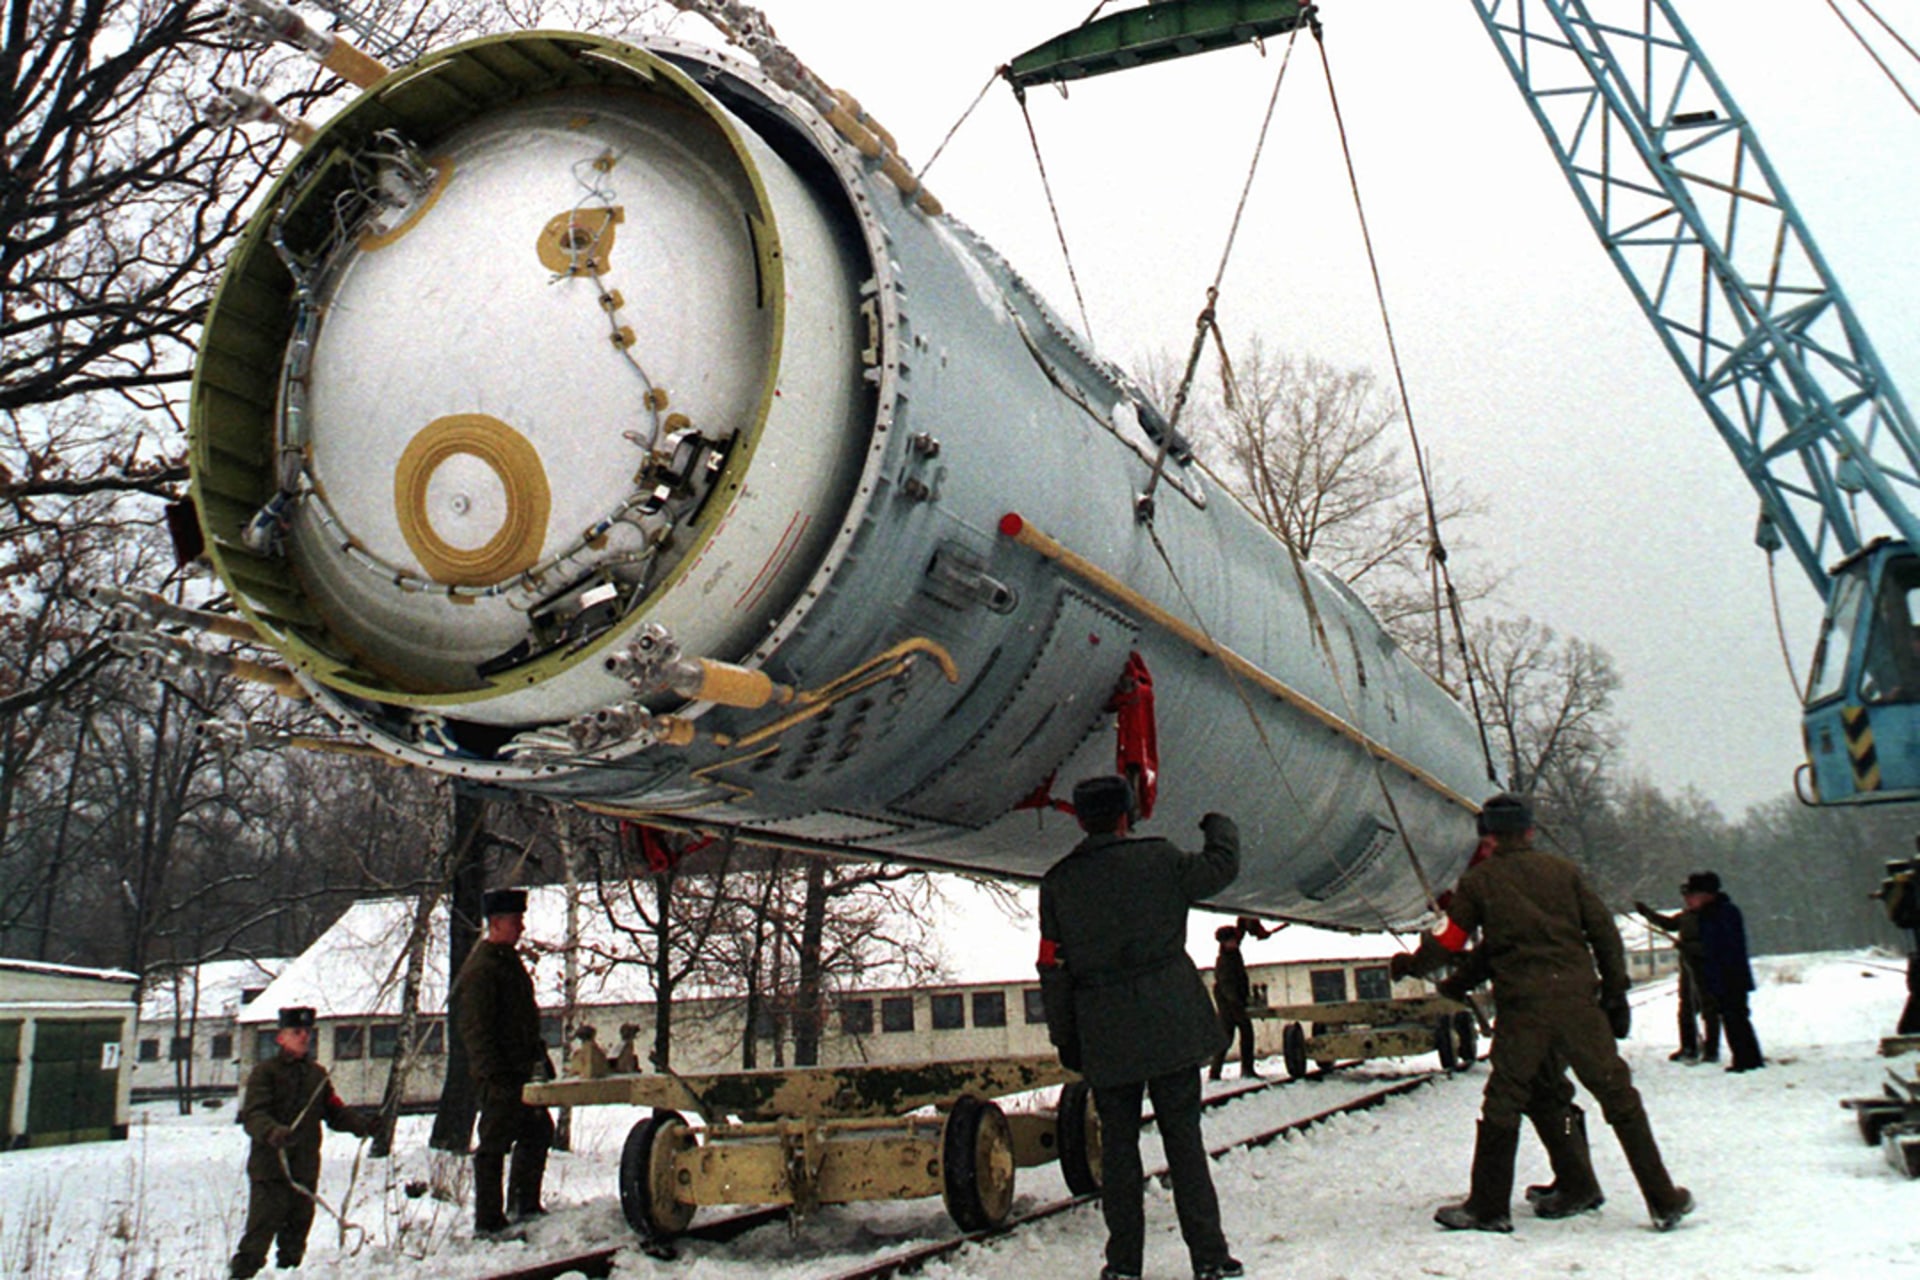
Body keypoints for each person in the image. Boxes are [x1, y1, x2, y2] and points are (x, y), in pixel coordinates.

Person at [1391, 793, 1692, 1233]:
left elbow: (1452, 941)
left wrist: (1412, 966)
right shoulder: (1564, 873)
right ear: (1530, 831)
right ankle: (1660, 1198)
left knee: (1505, 1101)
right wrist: (1615, 993)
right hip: (1578, 1007)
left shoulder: (1481, 882)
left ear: (1487, 837)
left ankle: (1488, 1207)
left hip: (1525, 1011)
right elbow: (1605, 934)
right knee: (1615, 1096)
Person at [1037, 774, 1244, 1280]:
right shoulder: (1160, 859)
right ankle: (1211, 1259)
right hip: (1170, 1023)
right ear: (1126, 815)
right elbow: (1222, 867)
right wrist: (1220, 826)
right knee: (1185, 1144)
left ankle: (1124, 1265)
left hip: (1105, 1032)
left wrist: (1066, 1036)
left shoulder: (1059, 883)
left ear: (1082, 820)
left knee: (1119, 1154)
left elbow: (1051, 968)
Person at [229, 1006, 377, 1278]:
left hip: (304, 1171)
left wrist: (364, 1125)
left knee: (295, 1240)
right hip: (270, 1172)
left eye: (307, 1032)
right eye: (296, 1032)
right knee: (257, 1238)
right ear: (280, 1037)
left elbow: (334, 1111)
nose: (304, 1037)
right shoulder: (265, 1073)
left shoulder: (317, 1075)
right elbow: (254, 1115)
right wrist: (272, 1132)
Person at [451, 887, 555, 1238]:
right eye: (515, 920)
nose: (521, 927)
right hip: (500, 1075)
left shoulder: (507, 962)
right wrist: (491, 1074)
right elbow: (475, 1029)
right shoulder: (482, 968)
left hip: (522, 1070)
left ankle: (524, 1204)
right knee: (494, 1143)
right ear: (496, 923)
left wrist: (540, 1058)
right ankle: (488, 1219)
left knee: (537, 1131)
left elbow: (524, 1018)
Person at [1685, 871, 1765, 1072]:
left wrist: (1694, 948)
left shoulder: (1722, 914)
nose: (1689, 900)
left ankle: (1746, 1060)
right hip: (1722, 977)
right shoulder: (1712, 914)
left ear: (1706, 894)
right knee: (1733, 1018)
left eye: (1692, 895)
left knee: (1735, 1018)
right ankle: (1748, 1059)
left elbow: (1722, 948)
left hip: (1730, 977)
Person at [1633, 892, 1720, 1063]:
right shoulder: (1686, 916)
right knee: (1686, 1009)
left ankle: (1711, 1050)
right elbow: (1668, 924)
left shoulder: (1712, 918)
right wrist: (1647, 913)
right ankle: (1688, 1048)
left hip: (1706, 970)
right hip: (1687, 969)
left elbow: (1714, 946)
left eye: (1691, 897)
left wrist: (1689, 947)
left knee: (1709, 1009)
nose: (1687, 900)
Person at [1208, 916, 1277, 1082]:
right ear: (1224, 943)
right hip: (1230, 1004)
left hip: (1234, 1002)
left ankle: (1221, 1072)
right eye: (1231, 941)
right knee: (1237, 1035)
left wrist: (1259, 931)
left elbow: (1243, 924)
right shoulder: (1224, 961)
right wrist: (1239, 1002)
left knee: (1232, 1037)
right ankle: (1228, 1071)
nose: (1235, 943)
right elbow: (1227, 986)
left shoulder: (1233, 954)